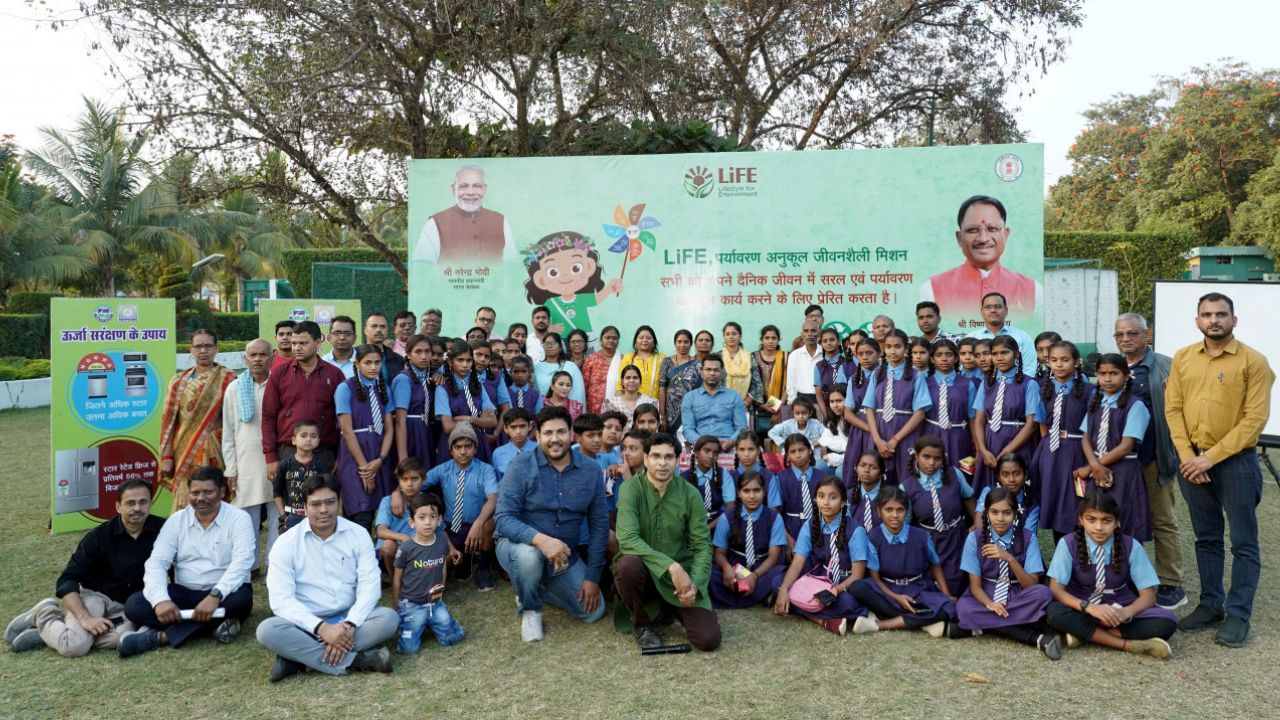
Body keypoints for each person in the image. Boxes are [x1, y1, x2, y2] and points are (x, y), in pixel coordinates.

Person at [1165, 292, 1274, 647]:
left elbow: (1254, 420)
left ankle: (1238, 614)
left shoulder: (1254, 362)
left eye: (1221, 314)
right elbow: (1173, 410)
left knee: (1243, 542)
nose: (1214, 320)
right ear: (1197, 320)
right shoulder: (1183, 358)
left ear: (1234, 319)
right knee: (1206, 537)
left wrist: (1209, 458)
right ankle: (1211, 604)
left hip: (1235, 463)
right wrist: (1188, 456)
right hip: (1191, 463)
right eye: (1207, 314)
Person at [256, 474, 398, 681]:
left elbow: (370, 586)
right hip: (306, 623)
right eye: (316, 504)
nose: (324, 510)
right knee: (267, 630)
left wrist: (349, 624)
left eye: (330, 502)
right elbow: (280, 599)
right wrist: (322, 629)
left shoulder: (358, 534)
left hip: (349, 619)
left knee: (388, 618)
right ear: (305, 507)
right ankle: (358, 661)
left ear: (339, 503)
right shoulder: (286, 543)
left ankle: (299, 659)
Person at [5, 479, 163, 656]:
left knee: (120, 638)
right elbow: (67, 579)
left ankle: (58, 632)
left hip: (127, 606)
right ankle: (45, 614)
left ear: (150, 503)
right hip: (95, 597)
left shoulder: (163, 530)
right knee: (75, 647)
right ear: (118, 507)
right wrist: (85, 619)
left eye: (143, 502)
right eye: (130, 503)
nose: (137, 508)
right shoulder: (98, 537)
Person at [494, 406, 609, 642]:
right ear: (537, 436)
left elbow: (599, 526)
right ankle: (530, 608)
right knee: (529, 557)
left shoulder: (591, 471)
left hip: (564, 557)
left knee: (593, 612)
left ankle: (532, 585)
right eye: (548, 433)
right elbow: (503, 519)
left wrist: (592, 577)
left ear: (571, 434)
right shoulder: (520, 466)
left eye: (561, 432)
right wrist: (542, 541)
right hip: (518, 547)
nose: (554, 439)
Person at [120, 467, 254, 657]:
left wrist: (215, 595)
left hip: (225, 593)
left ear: (222, 492)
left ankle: (161, 637)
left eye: (208, 492)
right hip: (184, 592)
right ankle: (213, 626)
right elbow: (157, 563)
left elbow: (242, 563)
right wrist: (161, 601)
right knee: (134, 605)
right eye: (195, 493)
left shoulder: (239, 518)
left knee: (241, 601)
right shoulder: (176, 521)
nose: (201, 498)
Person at [614, 432, 722, 651]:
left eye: (668, 457)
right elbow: (627, 539)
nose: (662, 463)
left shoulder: (690, 494)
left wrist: (695, 586)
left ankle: (669, 608)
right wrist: (671, 567)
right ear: (646, 459)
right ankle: (641, 624)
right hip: (646, 574)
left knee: (708, 640)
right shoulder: (630, 489)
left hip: (680, 582)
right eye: (656, 456)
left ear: (678, 460)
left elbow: (702, 545)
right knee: (627, 565)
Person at [1044, 490, 1177, 659]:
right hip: (1080, 607)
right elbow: (1056, 590)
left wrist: (1126, 612)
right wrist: (1089, 607)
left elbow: (1148, 596)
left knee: (1167, 621)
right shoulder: (1068, 544)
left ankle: (1083, 634)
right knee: (1053, 612)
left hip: (1118, 607)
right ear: (1081, 520)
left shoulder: (1131, 546)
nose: (1099, 527)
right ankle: (1126, 645)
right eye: (1091, 520)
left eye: (1106, 520)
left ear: (1117, 522)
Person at [1113, 312, 1186, 610]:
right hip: (1120, 462)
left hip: (1153, 457)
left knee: (1162, 521)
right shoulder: (1112, 367)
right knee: (1125, 520)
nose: (1126, 339)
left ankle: (1171, 583)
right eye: (1120, 334)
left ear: (1147, 335)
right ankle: (1132, 578)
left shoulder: (1166, 366)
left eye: (1133, 333)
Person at [955, 487, 1059, 659]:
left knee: (1043, 593)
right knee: (964, 608)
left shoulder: (1028, 537)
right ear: (986, 513)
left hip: (1018, 594)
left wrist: (1010, 559)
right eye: (994, 512)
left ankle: (980, 627)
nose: (1000, 518)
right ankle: (1033, 637)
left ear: (1015, 514)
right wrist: (990, 604)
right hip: (986, 593)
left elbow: (1031, 585)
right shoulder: (974, 538)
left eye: (1007, 513)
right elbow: (975, 587)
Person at [849, 486, 959, 637]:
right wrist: (897, 598)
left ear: (906, 511)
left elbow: (935, 565)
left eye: (900, 510)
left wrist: (946, 594)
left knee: (948, 607)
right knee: (858, 587)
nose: (895, 515)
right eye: (889, 510)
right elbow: (876, 578)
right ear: (879, 512)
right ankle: (923, 620)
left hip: (918, 589)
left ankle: (879, 625)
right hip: (888, 590)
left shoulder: (921, 536)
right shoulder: (873, 538)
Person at [922, 195, 1042, 328]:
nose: (983, 239)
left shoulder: (1034, 291)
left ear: (1006, 234)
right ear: (959, 238)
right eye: (973, 230)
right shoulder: (931, 290)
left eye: (992, 229)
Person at [773, 476, 866, 636]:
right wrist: (784, 589)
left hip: (844, 583)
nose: (826, 502)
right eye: (821, 496)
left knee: (847, 603)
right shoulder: (810, 525)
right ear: (815, 499)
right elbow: (797, 564)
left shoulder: (855, 530)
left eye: (833, 497)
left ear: (843, 502)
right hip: (820, 579)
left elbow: (858, 575)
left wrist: (835, 591)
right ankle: (822, 619)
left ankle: (807, 611)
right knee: (778, 583)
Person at [1075, 354, 1152, 544]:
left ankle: (1125, 563)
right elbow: (1085, 437)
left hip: (1123, 472)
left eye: (1114, 373)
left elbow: (1126, 447)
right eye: (1102, 374)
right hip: (1096, 471)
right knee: (1095, 519)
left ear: (1126, 376)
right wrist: (1094, 465)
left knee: (1124, 522)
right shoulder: (1096, 402)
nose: (1107, 379)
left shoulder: (1136, 405)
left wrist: (1093, 467)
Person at [159, 328, 236, 511]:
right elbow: (169, 422)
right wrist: (167, 457)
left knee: (215, 495)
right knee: (185, 497)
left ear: (216, 348)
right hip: (184, 450)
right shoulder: (178, 381)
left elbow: (235, 421)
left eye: (208, 346)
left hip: (216, 450)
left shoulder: (229, 379)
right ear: (191, 350)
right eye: (198, 346)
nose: (203, 351)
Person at [220, 338, 277, 570]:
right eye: (252, 355)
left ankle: (275, 565)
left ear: (272, 357)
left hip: (276, 460)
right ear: (245, 359)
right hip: (246, 463)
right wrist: (230, 469)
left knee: (278, 515)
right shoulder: (234, 388)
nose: (257, 359)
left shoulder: (279, 384)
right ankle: (248, 567)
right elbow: (228, 431)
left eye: (262, 354)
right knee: (246, 519)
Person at [261, 320, 345, 477]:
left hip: (325, 454)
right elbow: (268, 417)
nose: (297, 348)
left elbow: (343, 421)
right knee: (289, 495)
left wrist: (341, 455)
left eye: (303, 343)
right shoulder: (279, 374)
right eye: (294, 343)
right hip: (288, 452)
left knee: (325, 494)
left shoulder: (334, 375)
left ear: (318, 342)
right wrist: (270, 457)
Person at [424, 424, 500, 592]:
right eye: (458, 447)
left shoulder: (485, 470)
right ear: (451, 450)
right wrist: (397, 493)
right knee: (445, 563)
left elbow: (493, 498)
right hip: (452, 528)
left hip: (477, 527)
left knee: (489, 523)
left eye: (468, 446)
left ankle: (483, 568)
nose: (463, 451)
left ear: (475, 448)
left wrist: (478, 523)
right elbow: (418, 484)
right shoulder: (443, 469)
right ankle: (464, 560)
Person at [1035, 341, 1094, 540]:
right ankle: (1062, 551)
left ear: (1076, 362)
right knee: (1054, 503)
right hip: (1051, 453)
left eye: (1065, 359)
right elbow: (1043, 425)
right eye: (1054, 360)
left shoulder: (1089, 391)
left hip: (1078, 451)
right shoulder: (1043, 391)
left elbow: (1093, 427)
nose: (1059, 364)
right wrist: (1047, 450)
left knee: (1076, 502)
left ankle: (1082, 552)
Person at [393, 492, 465, 654]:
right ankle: (411, 622)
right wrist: (396, 605)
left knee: (453, 638)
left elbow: (443, 567)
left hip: (435, 603)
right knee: (408, 650)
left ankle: (434, 621)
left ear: (439, 520)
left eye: (433, 517)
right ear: (412, 522)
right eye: (422, 517)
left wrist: (441, 592)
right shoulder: (406, 549)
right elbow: (397, 579)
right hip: (411, 604)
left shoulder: (441, 541)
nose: (428, 522)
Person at [336, 344, 396, 529]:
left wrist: (381, 459)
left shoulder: (383, 388)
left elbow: (389, 429)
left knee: (384, 511)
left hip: (380, 452)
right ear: (357, 364)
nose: (373, 367)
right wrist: (365, 470)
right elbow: (347, 431)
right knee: (360, 514)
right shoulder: (345, 388)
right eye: (368, 363)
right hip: (355, 454)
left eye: (377, 363)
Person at [862, 329, 931, 484]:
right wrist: (877, 440)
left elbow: (920, 413)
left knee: (906, 477)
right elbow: (870, 409)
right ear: (883, 349)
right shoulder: (877, 373)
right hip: (879, 432)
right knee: (878, 477)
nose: (893, 351)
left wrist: (895, 440)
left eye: (897, 347)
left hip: (905, 433)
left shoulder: (916, 375)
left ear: (906, 348)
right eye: (888, 347)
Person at [971, 335, 1040, 490]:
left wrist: (1007, 450)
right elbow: (979, 421)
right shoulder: (987, 383)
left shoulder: (1029, 384)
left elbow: (1032, 425)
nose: (999, 358)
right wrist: (983, 450)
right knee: (989, 491)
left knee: (1016, 488)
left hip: (1017, 443)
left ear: (1016, 354)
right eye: (995, 354)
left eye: (1005, 353)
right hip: (989, 444)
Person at [710, 471, 785, 610]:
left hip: (762, 567)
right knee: (710, 572)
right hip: (735, 565)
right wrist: (726, 568)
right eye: (746, 491)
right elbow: (719, 553)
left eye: (757, 490)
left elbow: (773, 557)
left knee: (780, 573)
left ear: (764, 491)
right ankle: (762, 595)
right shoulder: (727, 516)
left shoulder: (774, 518)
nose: (752, 496)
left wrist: (754, 576)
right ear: (739, 493)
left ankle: (742, 592)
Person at [413, 164, 516, 263]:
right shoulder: (434, 223)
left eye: (477, 186)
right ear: (453, 189)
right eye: (463, 186)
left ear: (485, 189)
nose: (470, 192)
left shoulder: (501, 221)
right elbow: (422, 268)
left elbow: (512, 266)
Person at [435, 340, 498, 462]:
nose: (465, 365)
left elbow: (492, 421)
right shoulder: (443, 388)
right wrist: (479, 422)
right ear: (450, 362)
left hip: (477, 441)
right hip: (454, 443)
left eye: (469, 360)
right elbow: (448, 426)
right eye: (460, 360)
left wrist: (469, 419)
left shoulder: (477, 385)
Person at [924, 339, 976, 473]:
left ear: (956, 358)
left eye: (949, 355)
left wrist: (977, 446)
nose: (944, 359)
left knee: (958, 473)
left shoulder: (967, 384)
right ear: (932, 359)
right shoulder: (924, 383)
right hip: (931, 434)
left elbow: (973, 418)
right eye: (939, 355)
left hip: (958, 436)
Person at [680, 354, 748, 451]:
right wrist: (702, 443)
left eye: (716, 370)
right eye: (708, 369)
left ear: (722, 373)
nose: (712, 373)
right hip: (701, 447)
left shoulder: (734, 396)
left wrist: (731, 441)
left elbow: (742, 428)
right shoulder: (690, 397)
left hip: (729, 447)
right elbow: (688, 429)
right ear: (701, 373)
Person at [392, 334, 437, 469]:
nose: (424, 356)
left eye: (427, 351)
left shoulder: (428, 378)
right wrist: (403, 458)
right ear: (409, 355)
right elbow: (400, 421)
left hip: (425, 431)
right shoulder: (403, 379)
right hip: (411, 432)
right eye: (418, 352)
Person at [376, 458, 426, 575]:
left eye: (415, 479)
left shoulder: (428, 500)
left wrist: (451, 548)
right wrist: (402, 537)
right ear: (399, 481)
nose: (409, 484)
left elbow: (440, 530)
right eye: (404, 479)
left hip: (418, 550)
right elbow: (381, 531)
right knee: (388, 545)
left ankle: (419, 577)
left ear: (423, 480)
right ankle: (395, 578)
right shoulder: (387, 501)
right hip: (393, 551)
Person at [967, 292, 1037, 375]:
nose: (993, 310)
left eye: (998, 306)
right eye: (988, 307)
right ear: (982, 311)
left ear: (1006, 311)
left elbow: (1030, 367)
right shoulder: (971, 338)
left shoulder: (1022, 336)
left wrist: (1018, 383)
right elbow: (965, 368)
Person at [273, 421, 324, 534]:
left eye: (313, 436)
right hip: (292, 516)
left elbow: (326, 492)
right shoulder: (285, 464)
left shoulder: (321, 464)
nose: (308, 439)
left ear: (318, 441)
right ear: (294, 440)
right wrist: (283, 516)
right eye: (303, 436)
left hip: (315, 517)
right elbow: (277, 492)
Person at [659, 329, 709, 435]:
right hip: (669, 413)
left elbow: (701, 391)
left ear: (691, 344)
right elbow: (662, 388)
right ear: (675, 343)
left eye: (686, 342)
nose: (682, 345)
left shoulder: (698, 364)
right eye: (679, 341)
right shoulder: (666, 362)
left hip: (690, 412)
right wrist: (662, 416)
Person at [681, 434, 736, 527]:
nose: (711, 456)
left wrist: (708, 528)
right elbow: (680, 510)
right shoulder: (684, 478)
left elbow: (730, 508)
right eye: (707, 451)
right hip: (691, 522)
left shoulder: (723, 475)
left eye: (715, 453)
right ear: (697, 452)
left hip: (718, 522)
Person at [749, 325, 787, 435]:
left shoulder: (786, 357)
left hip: (781, 409)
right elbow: (750, 384)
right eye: (767, 338)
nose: (770, 341)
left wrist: (776, 408)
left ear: (779, 340)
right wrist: (763, 405)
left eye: (774, 338)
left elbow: (790, 385)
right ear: (761, 339)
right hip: (757, 409)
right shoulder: (753, 357)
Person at [534, 332, 586, 405]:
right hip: (542, 409)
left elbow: (578, 394)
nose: (549, 346)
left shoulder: (571, 367)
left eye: (553, 343)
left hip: (566, 410)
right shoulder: (536, 368)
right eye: (546, 344)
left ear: (560, 347)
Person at [603, 364, 659, 429]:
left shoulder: (650, 402)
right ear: (622, 381)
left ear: (640, 381)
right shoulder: (611, 403)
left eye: (635, 378)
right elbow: (604, 427)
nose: (631, 381)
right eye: (628, 378)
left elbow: (655, 427)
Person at [582, 325, 621, 414]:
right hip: (594, 407)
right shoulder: (592, 359)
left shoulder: (623, 360)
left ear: (618, 341)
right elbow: (585, 385)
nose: (611, 340)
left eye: (614, 338)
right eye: (607, 338)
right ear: (601, 340)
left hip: (616, 406)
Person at [617, 325, 664, 399]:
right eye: (641, 338)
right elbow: (619, 385)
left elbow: (665, 386)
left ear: (654, 341)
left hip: (654, 404)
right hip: (632, 403)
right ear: (635, 341)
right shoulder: (628, 358)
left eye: (648, 338)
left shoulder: (661, 357)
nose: (644, 340)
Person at [491, 407, 537, 480]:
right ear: (506, 429)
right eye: (513, 427)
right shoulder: (498, 454)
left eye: (522, 426)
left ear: (530, 426)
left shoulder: (540, 450)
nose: (518, 431)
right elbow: (499, 482)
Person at [363, 313, 406, 385]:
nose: (378, 330)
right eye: (374, 326)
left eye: (382, 326)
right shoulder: (355, 355)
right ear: (365, 330)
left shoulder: (398, 360)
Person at [785, 318, 821, 404]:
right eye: (806, 331)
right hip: (802, 401)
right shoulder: (794, 355)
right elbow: (791, 383)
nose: (809, 334)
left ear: (819, 334)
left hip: (823, 400)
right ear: (802, 334)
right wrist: (792, 404)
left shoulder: (825, 354)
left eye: (813, 331)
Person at [321, 315, 358, 379]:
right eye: (337, 333)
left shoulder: (364, 362)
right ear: (329, 338)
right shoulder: (321, 363)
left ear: (354, 338)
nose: (342, 337)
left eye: (347, 334)